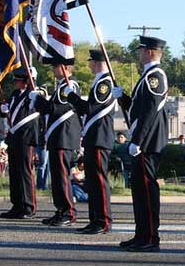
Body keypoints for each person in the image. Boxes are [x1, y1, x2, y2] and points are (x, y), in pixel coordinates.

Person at [115, 35, 169, 253]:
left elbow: (150, 111)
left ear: (149, 52)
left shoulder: (155, 76)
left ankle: (150, 237)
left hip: (147, 143)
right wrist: (124, 98)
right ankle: (141, 234)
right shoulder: (147, 76)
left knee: (147, 191)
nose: (138, 53)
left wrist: (137, 140)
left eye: (140, 50)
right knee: (138, 191)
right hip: (143, 142)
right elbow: (138, 108)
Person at [66, 50, 116, 234]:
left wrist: (72, 97)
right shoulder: (98, 82)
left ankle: (103, 220)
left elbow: (90, 108)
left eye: (91, 62)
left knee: (99, 181)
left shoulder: (104, 83)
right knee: (92, 182)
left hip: (99, 137)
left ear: (96, 63)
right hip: (93, 137)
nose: (89, 65)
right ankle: (94, 219)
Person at [33, 64, 82, 227]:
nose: (54, 69)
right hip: (57, 137)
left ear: (67, 67)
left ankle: (68, 211)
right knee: (56, 178)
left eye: (56, 66)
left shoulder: (70, 85)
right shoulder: (61, 85)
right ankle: (61, 209)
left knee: (62, 177)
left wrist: (38, 100)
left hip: (64, 137)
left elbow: (57, 109)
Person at [0, 68, 40, 219]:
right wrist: (4, 110)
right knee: (14, 172)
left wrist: (32, 86)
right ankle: (17, 205)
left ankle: (29, 206)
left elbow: (36, 106)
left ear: (27, 81)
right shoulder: (16, 94)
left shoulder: (35, 93)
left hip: (26, 137)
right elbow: (10, 111)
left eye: (19, 80)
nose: (16, 83)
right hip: (14, 136)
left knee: (25, 172)